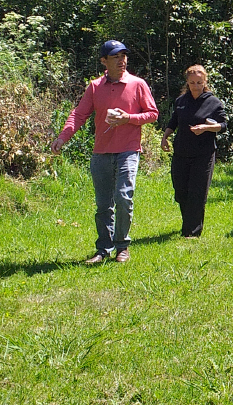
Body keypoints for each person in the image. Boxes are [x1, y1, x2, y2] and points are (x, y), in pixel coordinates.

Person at [51, 40, 159, 264]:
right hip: (101, 152)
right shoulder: (94, 87)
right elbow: (79, 114)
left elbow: (152, 114)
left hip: (128, 150)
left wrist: (128, 118)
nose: (122, 61)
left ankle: (122, 247)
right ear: (104, 61)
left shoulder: (137, 84)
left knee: (123, 198)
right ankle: (103, 249)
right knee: (103, 205)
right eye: (115, 57)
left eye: (123, 56)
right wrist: (63, 137)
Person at [160, 65, 228, 238]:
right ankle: (188, 224)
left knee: (197, 192)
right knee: (181, 191)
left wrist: (206, 128)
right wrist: (165, 136)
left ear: (205, 82)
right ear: (187, 82)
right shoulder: (181, 101)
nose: (195, 86)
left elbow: (223, 125)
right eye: (192, 83)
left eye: (199, 82)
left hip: (203, 154)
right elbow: (174, 121)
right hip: (181, 152)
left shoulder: (213, 102)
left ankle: (192, 232)